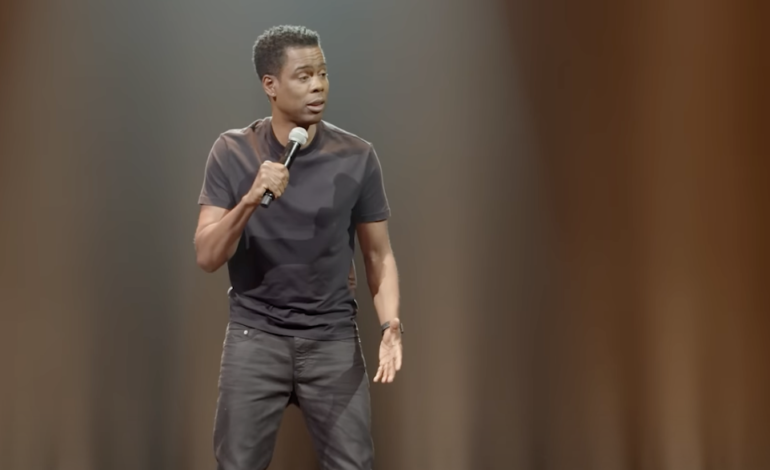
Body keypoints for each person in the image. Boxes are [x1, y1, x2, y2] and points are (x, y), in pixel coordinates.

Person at [193, 25, 403, 470]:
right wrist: (250, 199)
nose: (318, 86)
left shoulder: (357, 156)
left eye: (322, 74)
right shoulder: (232, 151)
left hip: (332, 339)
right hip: (255, 337)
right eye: (304, 76)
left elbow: (378, 255)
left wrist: (391, 324)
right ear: (270, 85)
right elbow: (207, 256)